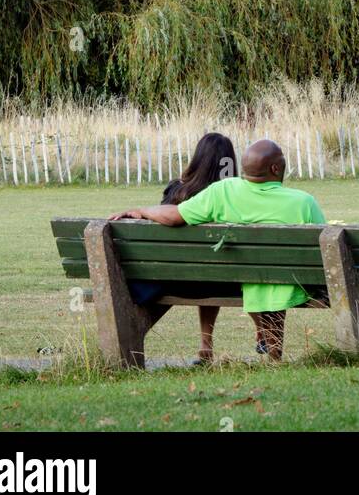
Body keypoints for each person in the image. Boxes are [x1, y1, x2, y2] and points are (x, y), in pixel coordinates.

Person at [112, 139, 324, 361]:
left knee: (262, 279)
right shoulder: (304, 202)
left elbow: (174, 216)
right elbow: (323, 247)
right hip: (286, 282)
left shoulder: (222, 191)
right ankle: (274, 355)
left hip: (235, 279)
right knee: (272, 280)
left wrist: (141, 210)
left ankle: (259, 352)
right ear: (275, 168)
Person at [113, 131, 236, 364]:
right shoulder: (233, 195)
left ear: (198, 158)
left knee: (202, 268)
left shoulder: (177, 190)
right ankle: (206, 345)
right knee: (211, 267)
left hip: (173, 279)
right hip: (223, 280)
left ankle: (205, 347)